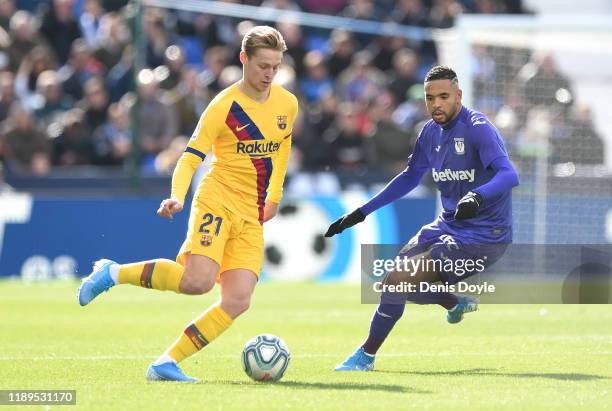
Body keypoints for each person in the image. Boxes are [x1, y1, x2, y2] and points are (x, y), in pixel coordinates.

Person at [77, 26, 298, 382]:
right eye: (262, 66)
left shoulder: (287, 103)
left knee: (238, 299)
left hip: (252, 212)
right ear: (244, 59)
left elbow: (282, 150)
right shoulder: (223, 106)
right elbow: (190, 157)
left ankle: (166, 362)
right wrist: (178, 195)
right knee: (198, 282)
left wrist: (274, 196)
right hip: (217, 200)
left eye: (275, 66)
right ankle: (112, 273)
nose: (269, 74)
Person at [325, 66, 519, 371]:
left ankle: (365, 356)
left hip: (485, 236)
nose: (436, 104)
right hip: (448, 226)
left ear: (458, 95)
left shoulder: (478, 127)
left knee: (398, 279)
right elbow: (409, 177)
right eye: (430, 98)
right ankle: (453, 302)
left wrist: (477, 195)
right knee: (392, 282)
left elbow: (509, 174)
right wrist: (362, 212)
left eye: (444, 96)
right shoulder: (429, 132)